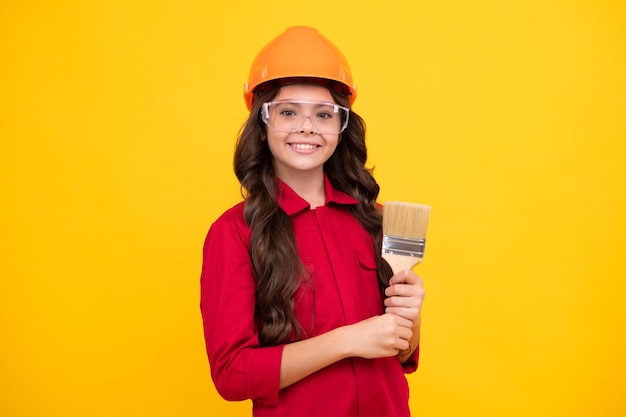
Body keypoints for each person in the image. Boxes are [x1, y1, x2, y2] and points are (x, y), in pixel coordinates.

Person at [200, 26, 425, 417]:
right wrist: (348, 340)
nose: (307, 127)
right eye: (288, 112)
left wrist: (410, 319)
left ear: (342, 126)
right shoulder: (234, 232)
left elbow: (401, 353)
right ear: (263, 120)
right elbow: (232, 374)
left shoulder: (378, 220)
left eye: (323, 114)